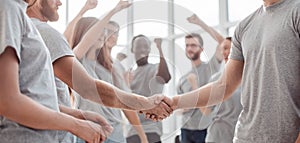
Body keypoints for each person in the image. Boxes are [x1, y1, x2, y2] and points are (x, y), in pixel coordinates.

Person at [146, 0, 300, 142]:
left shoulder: (295, 11)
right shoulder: (245, 27)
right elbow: (223, 86)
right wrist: (174, 102)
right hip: (245, 137)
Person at [0, 0, 112, 142]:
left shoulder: (18, 14)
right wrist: (77, 125)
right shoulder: (7, 8)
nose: (60, 2)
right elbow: (6, 101)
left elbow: (31, 96)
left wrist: (77, 115)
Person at [71, 18, 148, 143]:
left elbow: (125, 101)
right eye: (100, 31)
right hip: (88, 130)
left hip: (114, 131)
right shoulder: (77, 61)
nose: (103, 35)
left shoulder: (113, 66)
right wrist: (114, 10)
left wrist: (142, 136)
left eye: (104, 32)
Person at [187, 14, 243, 143]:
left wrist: (201, 22)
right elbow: (206, 111)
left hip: (240, 137)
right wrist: (195, 86)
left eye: (228, 49)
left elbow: (223, 41)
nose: (224, 52)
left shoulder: (248, 77)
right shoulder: (216, 78)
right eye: (223, 49)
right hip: (216, 137)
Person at [177, 31, 222, 142]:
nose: (189, 48)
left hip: (204, 128)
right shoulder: (183, 79)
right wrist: (184, 109)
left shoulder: (211, 68)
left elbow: (222, 42)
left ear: (201, 49)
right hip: (185, 128)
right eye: (187, 45)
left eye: (193, 45)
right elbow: (177, 108)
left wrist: (200, 24)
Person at [126, 35, 171, 143]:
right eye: (139, 46)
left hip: (152, 131)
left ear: (150, 50)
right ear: (132, 49)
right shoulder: (129, 74)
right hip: (132, 131)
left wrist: (160, 48)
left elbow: (165, 76)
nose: (142, 49)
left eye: (146, 46)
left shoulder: (155, 68)